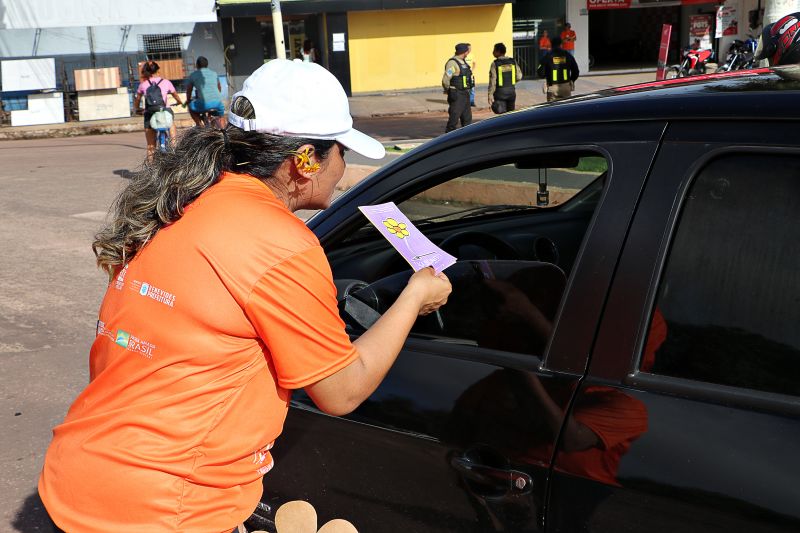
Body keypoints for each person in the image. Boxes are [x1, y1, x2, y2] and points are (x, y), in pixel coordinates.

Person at [38, 58, 452, 533]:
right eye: (339, 150)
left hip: (81, 474)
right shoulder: (279, 242)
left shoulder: (183, 199)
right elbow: (341, 390)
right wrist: (415, 295)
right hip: (164, 509)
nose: (342, 168)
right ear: (303, 160)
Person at [133, 61, 185, 159]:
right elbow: (175, 95)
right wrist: (179, 102)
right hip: (165, 111)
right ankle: (173, 143)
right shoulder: (166, 82)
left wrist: (136, 109)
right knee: (171, 123)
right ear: (158, 70)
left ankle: (150, 170)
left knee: (150, 146)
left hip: (150, 112)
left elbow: (137, 100)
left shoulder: (143, 85)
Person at [186, 56, 226, 128]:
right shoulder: (214, 73)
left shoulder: (193, 75)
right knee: (221, 117)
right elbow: (219, 87)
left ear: (197, 65)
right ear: (207, 65)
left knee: (190, 107)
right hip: (218, 103)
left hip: (204, 104)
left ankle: (199, 125)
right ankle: (224, 133)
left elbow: (189, 90)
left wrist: (188, 100)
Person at [442, 42, 474, 132]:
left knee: (467, 120)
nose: (468, 53)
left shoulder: (463, 62)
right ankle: (448, 140)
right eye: (468, 51)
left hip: (465, 93)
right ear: (465, 52)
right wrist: (449, 90)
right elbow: (445, 80)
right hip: (457, 94)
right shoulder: (452, 63)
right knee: (454, 119)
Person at [537, 36, 580, 102]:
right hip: (566, 86)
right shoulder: (567, 55)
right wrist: (571, 81)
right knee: (566, 109)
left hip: (552, 87)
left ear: (551, 44)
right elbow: (576, 71)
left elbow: (540, 73)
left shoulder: (547, 56)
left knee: (553, 110)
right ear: (561, 44)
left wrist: (547, 76)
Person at [488, 42, 523, 114]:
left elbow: (493, 81)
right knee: (511, 115)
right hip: (511, 92)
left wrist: (490, 94)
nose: (493, 52)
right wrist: (510, 81)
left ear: (498, 51)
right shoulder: (512, 61)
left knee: (501, 116)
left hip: (500, 93)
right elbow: (519, 76)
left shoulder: (495, 64)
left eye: (494, 50)